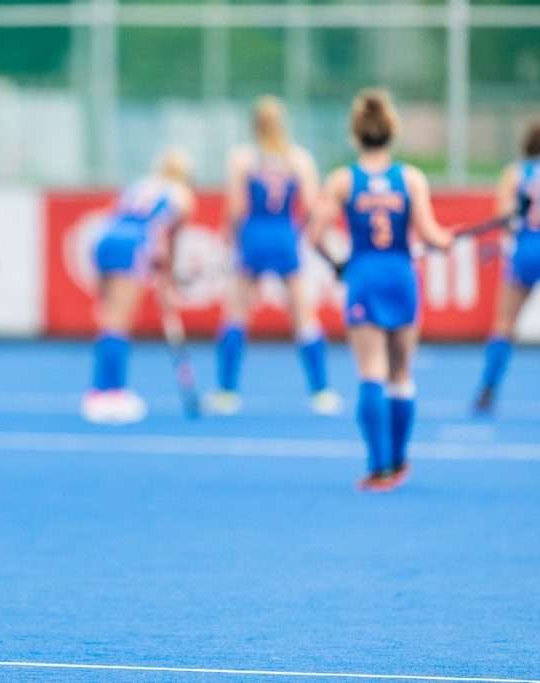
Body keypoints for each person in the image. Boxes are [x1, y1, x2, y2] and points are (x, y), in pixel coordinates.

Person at [308, 88, 452, 492]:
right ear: (393, 133)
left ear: (355, 134)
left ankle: (378, 468)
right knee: (401, 374)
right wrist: (444, 241)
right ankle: (400, 460)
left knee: (371, 371)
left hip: (365, 274)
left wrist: (338, 265)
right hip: (400, 274)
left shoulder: (342, 180)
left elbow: (315, 235)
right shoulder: (410, 179)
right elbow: (431, 235)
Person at [205, 96, 342, 416]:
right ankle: (321, 391)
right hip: (284, 235)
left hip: (254, 234)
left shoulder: (242, 158)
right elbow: (309, 207)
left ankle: (226, 392)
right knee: (303, 315)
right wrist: (305, 236)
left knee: (236, 313)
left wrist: (228, 240)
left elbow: (236, 207)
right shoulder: (298, 159)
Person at [81, 149, 194, 424]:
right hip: (133, 246)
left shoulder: (139, 185)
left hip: (104, 240)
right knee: (119, 322)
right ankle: (114, 394)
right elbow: (167, 241)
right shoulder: (183, 196)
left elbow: (119, 216)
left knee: (108, 319)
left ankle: (98, 391)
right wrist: (167, 277)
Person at [472, 122, 540, 414]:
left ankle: (488, 388)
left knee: (504, 324)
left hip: (525, 249)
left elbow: (504, 218)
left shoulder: (516, 173)